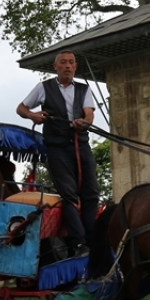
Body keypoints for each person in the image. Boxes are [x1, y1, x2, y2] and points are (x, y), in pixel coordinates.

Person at [17, 50, 100, 258]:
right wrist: (33, 115)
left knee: (91, 193)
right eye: (63, 62)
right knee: (69, 195)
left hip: (80, 144)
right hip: (57, 147)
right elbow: (21, 108)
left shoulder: (84, 89)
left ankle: (93, 240)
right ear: (56, 67)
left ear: (75, 66)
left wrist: (84, 122)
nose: (67, 66)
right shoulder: (44, 87)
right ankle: (78, 243)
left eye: (71, 62)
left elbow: (89, 113)